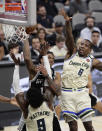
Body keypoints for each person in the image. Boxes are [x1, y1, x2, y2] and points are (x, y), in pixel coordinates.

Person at [60, 9, 102, 131]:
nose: (82, 46)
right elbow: (69, 37)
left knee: (89, 126)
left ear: (90, 49)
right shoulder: (71, 53)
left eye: (86, 45)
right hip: (67, 94)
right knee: (73, 127)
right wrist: (68, 23)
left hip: (82, 94)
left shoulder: (91, 60)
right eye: (81, 44)